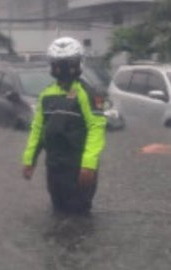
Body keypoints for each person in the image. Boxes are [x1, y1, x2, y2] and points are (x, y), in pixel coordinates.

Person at [22, 37, 107, 213]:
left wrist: (88, 164)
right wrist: (29, 160)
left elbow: (96, 128)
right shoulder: (46, 95)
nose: (63, 69)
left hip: (78, 167)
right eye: (58, 64)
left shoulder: (87, 93)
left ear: (78, 63)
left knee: (79, 216)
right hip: (54, 166)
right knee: (57, 212)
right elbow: (37, 130)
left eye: (69, 64)